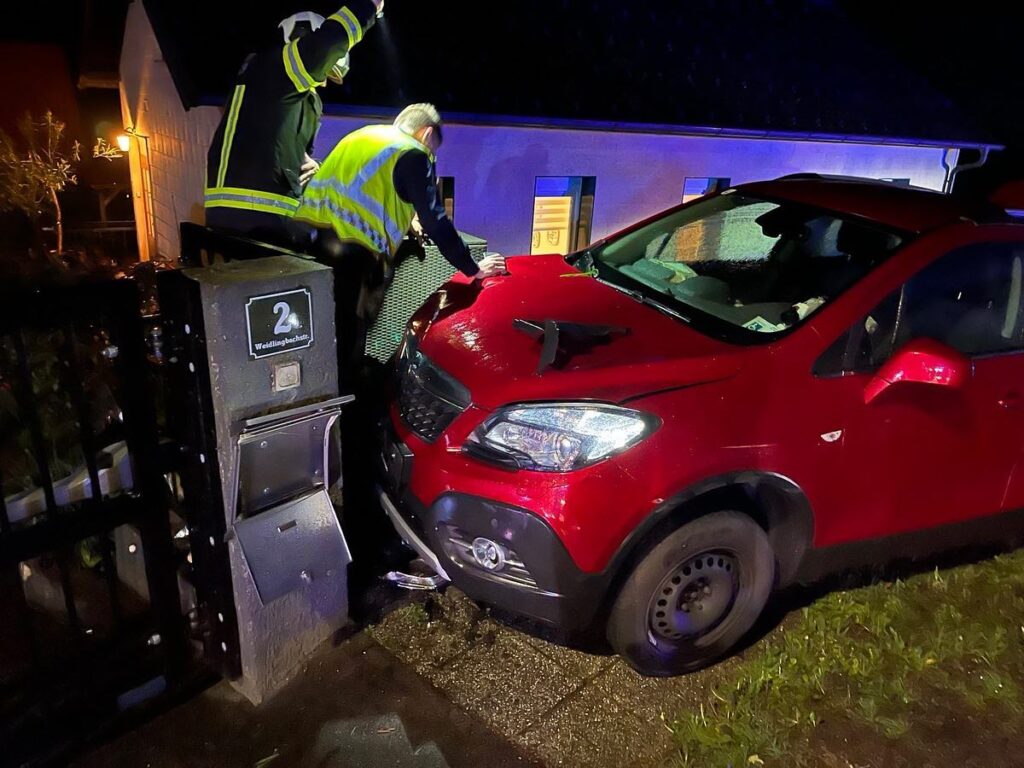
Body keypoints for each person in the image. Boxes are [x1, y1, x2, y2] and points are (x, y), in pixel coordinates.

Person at [295, 103, 506, 372]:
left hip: (310, 244)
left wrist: (407, 223)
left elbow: (361, 191)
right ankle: (350, 406)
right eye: (434, 149)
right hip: (355, 254)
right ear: (427, 134)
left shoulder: (362, 136)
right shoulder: (413, 152)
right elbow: (436, 219)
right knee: (349, 342)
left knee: (319, 334)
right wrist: (473, 268)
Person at [204, 2, 383, 249]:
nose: (322, 83)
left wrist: (309, 164)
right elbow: (324, 46)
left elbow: (281, 148)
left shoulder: (276, 91)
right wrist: (368, 7)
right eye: (324, 70)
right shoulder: (275, 68)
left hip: (259, 219)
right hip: (256, 218)